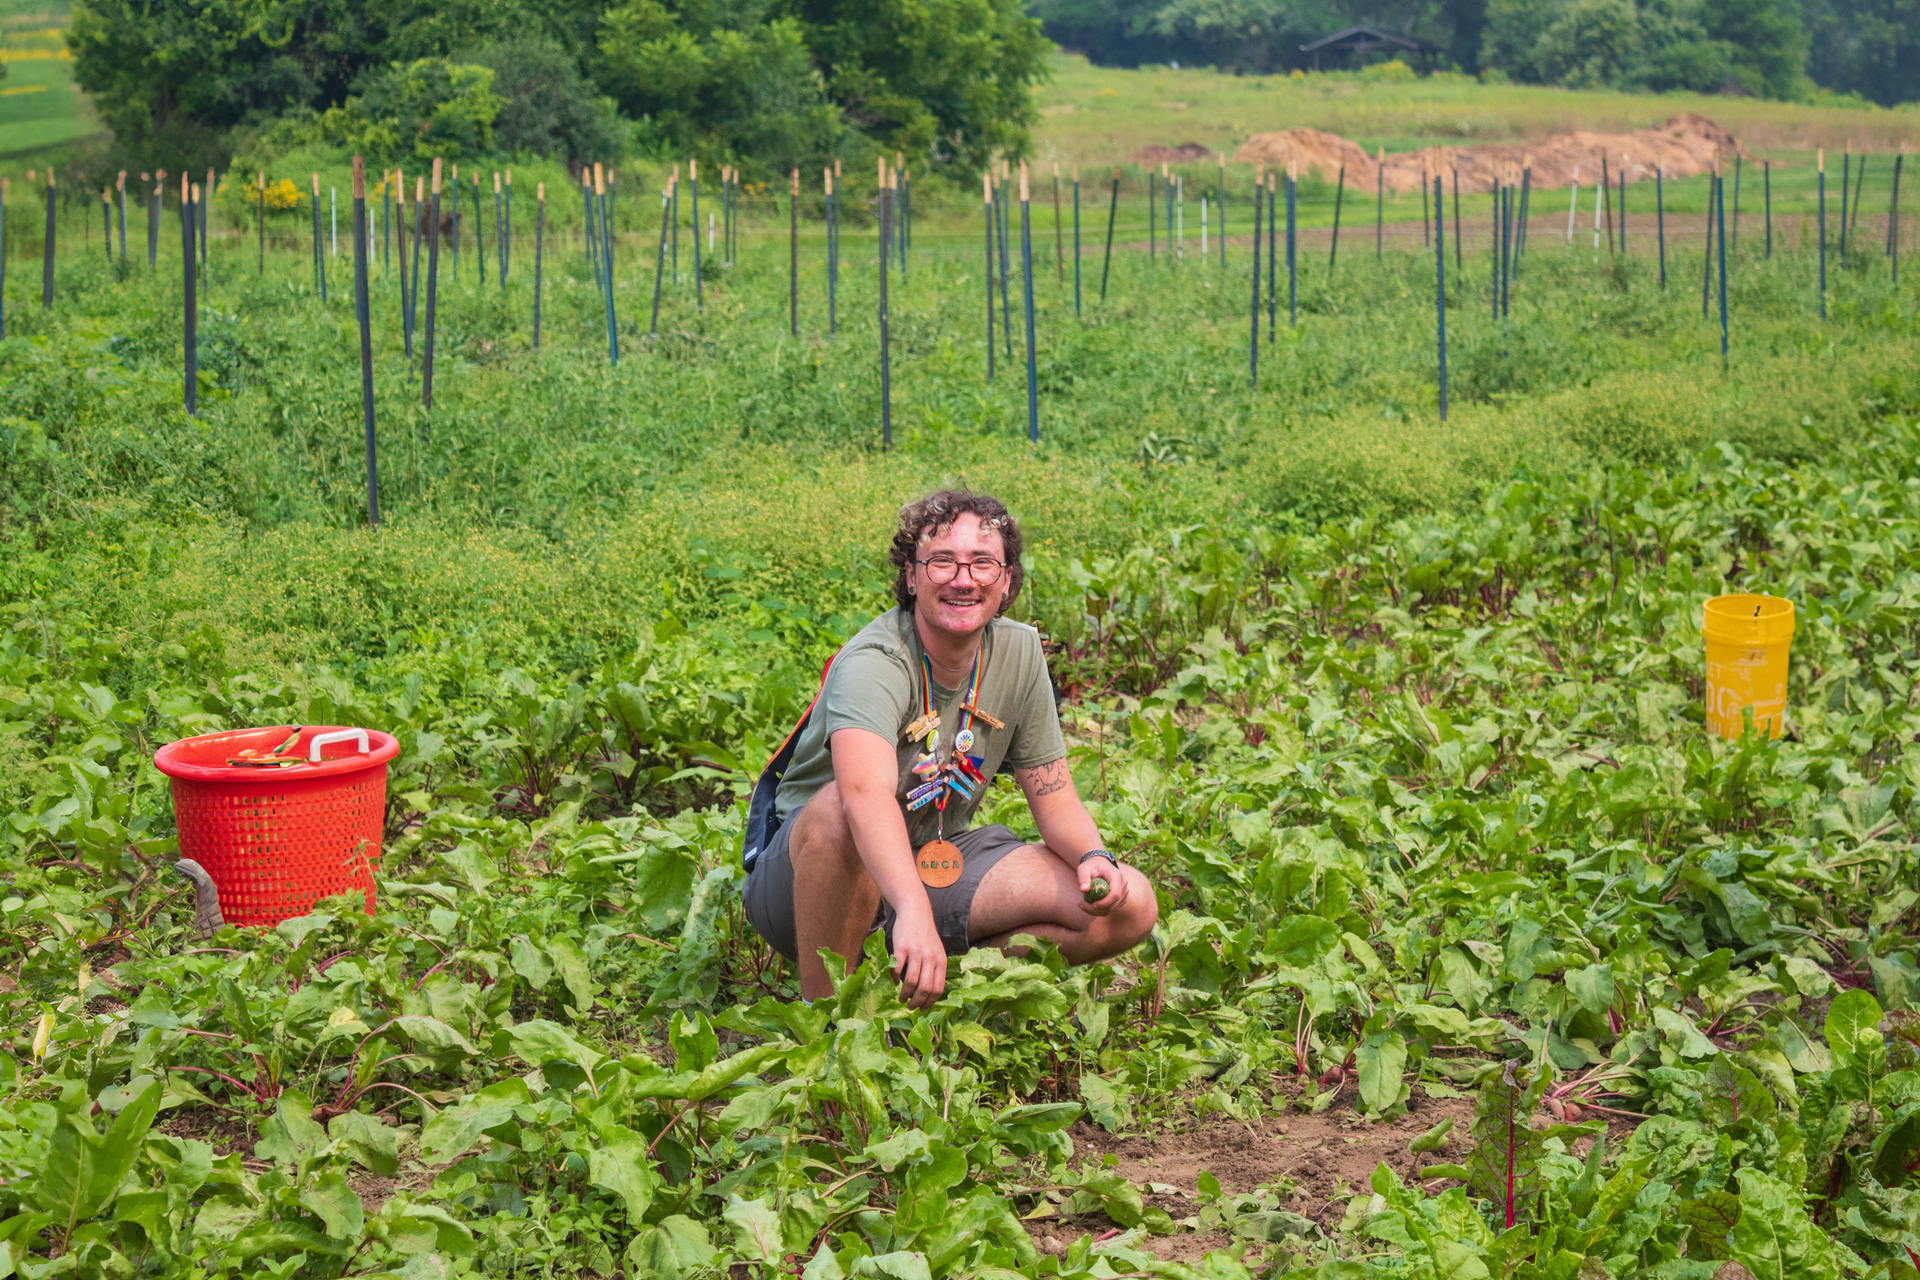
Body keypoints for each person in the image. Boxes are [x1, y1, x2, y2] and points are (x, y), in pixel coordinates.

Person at [741, 490, 1158, 1009]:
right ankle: (828, 1027)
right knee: (837, 811)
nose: (964, 579)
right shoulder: (874, 661)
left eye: (983, 563)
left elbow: (1056, 801)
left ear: (1005, 581)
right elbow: (864, 795)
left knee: (1131, 905)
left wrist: (1094, 856)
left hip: (932, 857)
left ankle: (927, 975)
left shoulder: (1020, 653)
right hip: (809, 879)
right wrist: (912, 907)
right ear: (912, 577)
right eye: (942, 562)